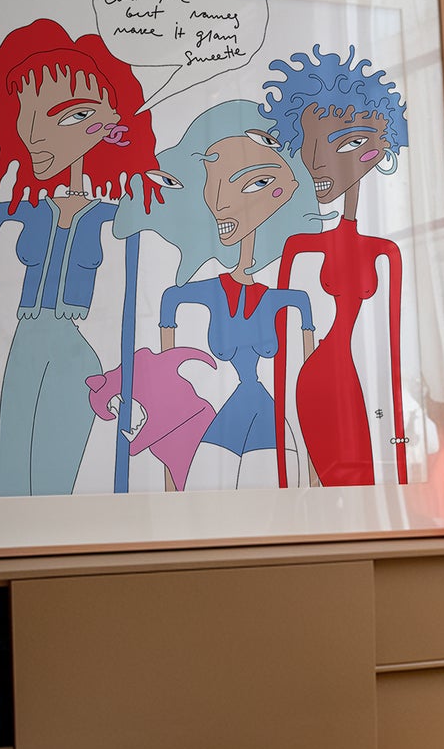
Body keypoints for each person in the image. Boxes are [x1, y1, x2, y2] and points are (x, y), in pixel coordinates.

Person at [0, 20, 163, 497]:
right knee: (10, 469)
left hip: (78, 349)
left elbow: (131, 311)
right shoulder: (12, 216)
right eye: (26, 115)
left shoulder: (118, 222)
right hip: (21, 342)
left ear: (108, 123)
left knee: (54, 476)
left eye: (64, 116)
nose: (33, 133)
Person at [115, 100, 319, 488]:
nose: (223, 201)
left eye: (253, 182)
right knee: (199, 491)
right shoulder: (207, 292)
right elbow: (169, 303)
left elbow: (307, 370)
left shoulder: (287, 299)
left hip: (269, 420)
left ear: (286, 190)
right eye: (213, 183)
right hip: (228, 417)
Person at [261, 46, 409, 487]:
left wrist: (399, 449)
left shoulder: (386, 252)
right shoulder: (301, 248)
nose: (319, 161)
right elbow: (283, 346)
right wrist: (285, 476)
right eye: (308, 145)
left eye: (348, 142)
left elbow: (393, 351)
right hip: (317, 383)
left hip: (363, 386)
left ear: (381, 148)